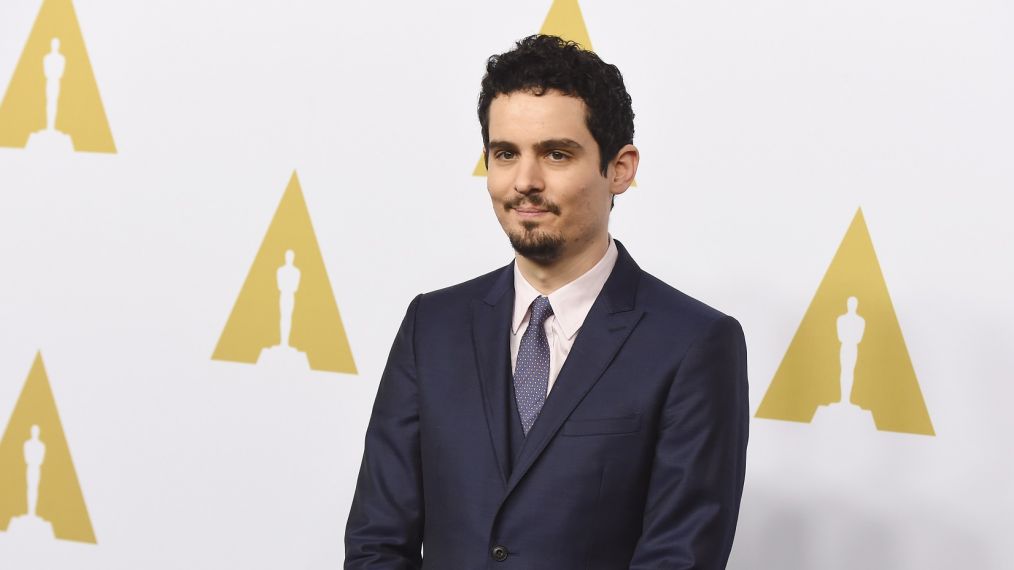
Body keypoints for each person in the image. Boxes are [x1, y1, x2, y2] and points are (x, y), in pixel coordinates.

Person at [345, 34, 749, 569]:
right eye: (505, 154)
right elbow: (378, 541)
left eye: (556, 154)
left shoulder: (693, 343)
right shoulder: (432, 326)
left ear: (620, 168)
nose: (525, 182)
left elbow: (681, 556)